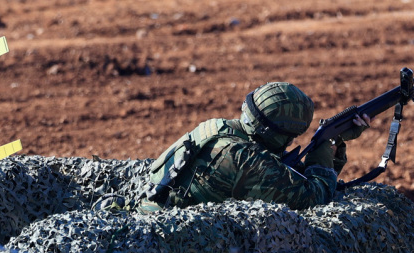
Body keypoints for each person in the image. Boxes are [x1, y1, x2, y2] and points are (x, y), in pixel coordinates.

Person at [138, 81, 370, 213]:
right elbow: (313, 197)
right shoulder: (245, 159)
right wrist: (322, 155)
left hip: (154, 213)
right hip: (165, 237)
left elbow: (284, 176)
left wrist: (334, 145)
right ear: (274, 135)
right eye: (290, 137)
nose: (291, 143)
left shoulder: (218, 128)